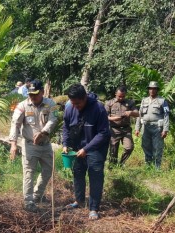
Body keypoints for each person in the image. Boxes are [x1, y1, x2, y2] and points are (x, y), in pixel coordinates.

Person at [62, 84, 110, 220]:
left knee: (95, 175)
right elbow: (65, 127)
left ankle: (94, 208)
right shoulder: (69, 108)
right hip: (78, 147)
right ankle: (79, 200)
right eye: (73, 103)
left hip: (96, 147)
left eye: (78, 103)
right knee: (77, 172)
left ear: (85, 97)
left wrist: (87, 149)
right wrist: (65, 143)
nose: (76, 106)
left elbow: (103, 133)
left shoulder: (98, 108)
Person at [9, 80, 58, 212]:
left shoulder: (51, 104)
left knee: (48, 170)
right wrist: (13, 143)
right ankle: (28, 201)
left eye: (36, 94)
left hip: (46, 144)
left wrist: (43, 132)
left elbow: (54, 118)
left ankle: (37, 195)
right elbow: (15, 124)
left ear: (42, 92)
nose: (33, 97)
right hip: (30, 145)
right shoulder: (22, 106)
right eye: (30, 94)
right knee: (29, 173)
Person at [135, 81, 170, 169]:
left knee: (157, 147)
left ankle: (157, 167)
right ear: (148, 90)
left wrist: (165, 129)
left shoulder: (162, 101)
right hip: (145, 127)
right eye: (150, 88)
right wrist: (137, 128)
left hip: (157, 128)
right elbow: (139, 114)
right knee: (145, 146)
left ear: (157, 90)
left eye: (154, 89)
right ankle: (148, 165)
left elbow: (166, 115)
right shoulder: (144, 100)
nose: (152, 90)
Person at [105, 86, 139, 166]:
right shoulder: (109, 103)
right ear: (115, 94)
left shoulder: (130, 103)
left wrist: (131, 112)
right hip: (114, 130)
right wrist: (114, 119)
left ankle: (121, 163)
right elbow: (104, 117)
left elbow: (137, 114)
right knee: (113, 151)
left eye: (123, 96)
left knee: (129, 147)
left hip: (126, 130)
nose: (121, 98)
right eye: (119, 96)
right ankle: (112, 167)